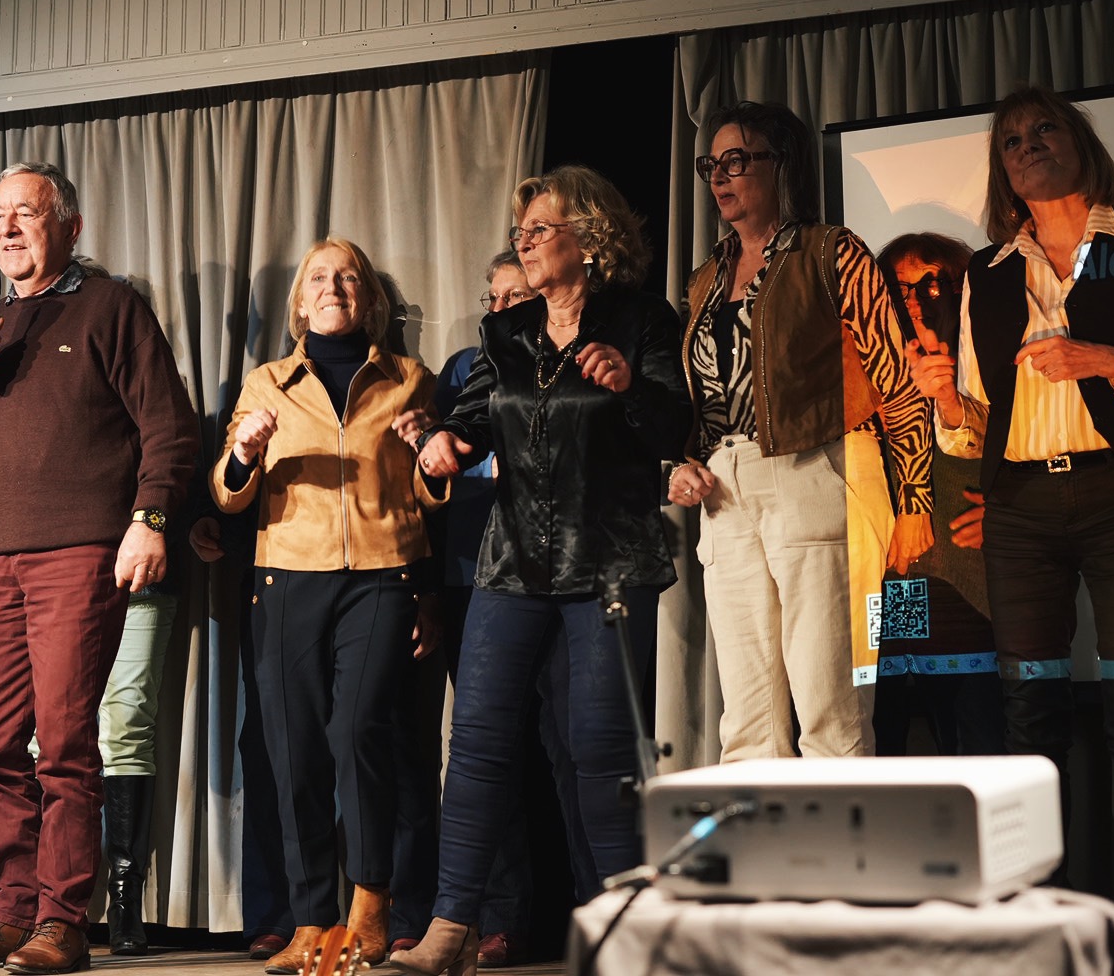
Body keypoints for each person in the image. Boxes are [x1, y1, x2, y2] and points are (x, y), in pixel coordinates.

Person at [395, 165, 691, 976]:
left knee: (600, 750)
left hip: (610, 562)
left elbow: (673, 426)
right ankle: (451, 926)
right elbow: (472, 420)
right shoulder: (508, 331)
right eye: (519, 233)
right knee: (478, 741)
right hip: (514, 561)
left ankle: (625, 931)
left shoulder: (641, 320)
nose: (523, 243)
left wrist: (628, 386)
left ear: (588, 237)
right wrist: (445, 442)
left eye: (539, 230)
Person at [908, 85, 1114, 962]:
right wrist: (947, 400)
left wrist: (1105, 361)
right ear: (1003, 170)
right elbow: (973, 425)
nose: (1027, 145)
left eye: (1043, 129)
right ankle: (1047, 932)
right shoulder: (987, 274)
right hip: (1020, 511)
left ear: (1079, 142)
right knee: (1032, 722)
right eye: (1011, 140)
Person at [0, 162, 199, 975]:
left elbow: (169, 428)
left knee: (67, 741)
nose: (8, 228)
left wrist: (149, 519)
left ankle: (63, 921)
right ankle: (11, 911)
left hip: (80, 551)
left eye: (27, 213)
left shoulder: (111, 307)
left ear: (69, 226)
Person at [668, 101, 933, 761]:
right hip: (724, 488)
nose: (719, 177)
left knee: (831, 710)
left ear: (780, 165)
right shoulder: (705, 278)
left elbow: (896, 380)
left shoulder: (831, 251)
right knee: (747, 722)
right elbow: (695, 396)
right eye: (711, 165)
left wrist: (916, 500)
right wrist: (680, 461)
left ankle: (845, 832)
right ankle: (763, 829)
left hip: (816, 470)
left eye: (737, 160)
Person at [209, 236, 444, 973]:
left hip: (382, 575)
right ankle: (312, 922)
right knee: (293, 748)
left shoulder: (409, 379)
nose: (332, 286)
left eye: (347, 276)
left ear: (368, 298)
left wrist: (430, 451)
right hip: (286, 577)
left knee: (358, 732)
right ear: (300, 303)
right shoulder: (266, 383)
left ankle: (370, 903)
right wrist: (245, 452)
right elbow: (227, 493)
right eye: (318, 277)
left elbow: (431, 493)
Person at [871, 233, 1002, 756]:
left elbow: (1029, 455)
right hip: (892, 581)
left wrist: (1009, 512)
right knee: (884, 737)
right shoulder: (859, 370)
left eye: (931, 284)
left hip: (969, 584)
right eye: (898, 287)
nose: (913, 301)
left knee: (975, 744)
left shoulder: (988, 359)